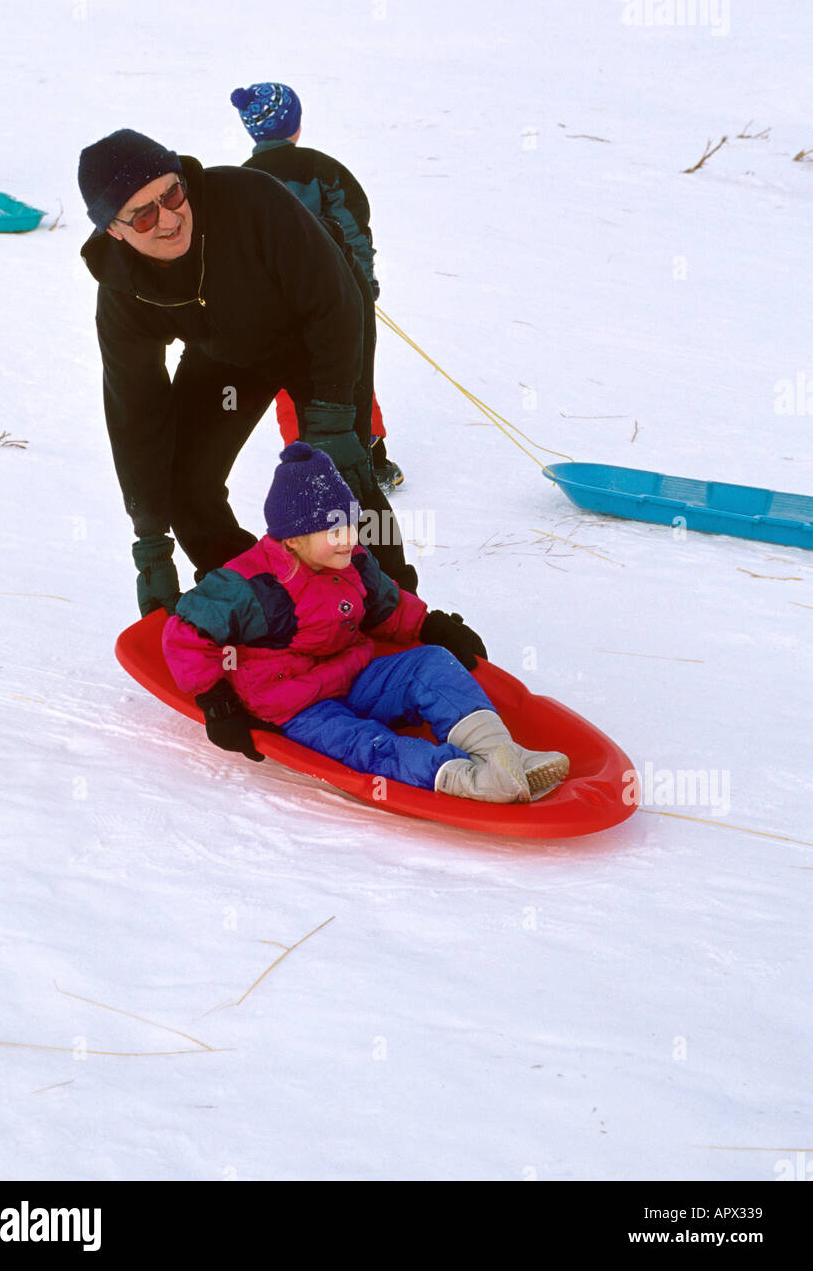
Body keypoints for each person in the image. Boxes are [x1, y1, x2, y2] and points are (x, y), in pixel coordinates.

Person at [77, 127, 428, 621]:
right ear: (112, 229)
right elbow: (135, 407)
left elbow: (334, 301)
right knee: (186, 484)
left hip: (321, 325)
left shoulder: (250, 200)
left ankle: (394, 608)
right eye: (143, 213)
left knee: (340, 472)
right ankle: (266, 601)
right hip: (230, 353)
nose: (169, 217)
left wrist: (331, 416)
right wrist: (151, 540)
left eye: (172, 193)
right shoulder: (121, 290)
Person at [162, 442, 569, 803]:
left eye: (350, 524)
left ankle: (501, 753)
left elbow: (386, 608)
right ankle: (470, 778)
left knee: (431, 664)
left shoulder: (352, 561)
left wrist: (432, 626)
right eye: (330, 530)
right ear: (292, 539)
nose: (346, 538)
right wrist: (216, 701)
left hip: (353, 676)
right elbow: (185, 634)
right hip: (295, 704)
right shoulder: (251, 584)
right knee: (367, 746)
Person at [231, 81, 404, 495]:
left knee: (292, 382)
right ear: (296, 125)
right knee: (352, 373)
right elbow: (353, 231)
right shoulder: (325, 171)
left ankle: (304, 458)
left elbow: (236, 253)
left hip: (276, 311)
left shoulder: (240, 185)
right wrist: (366, 284)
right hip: (337, 302)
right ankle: (369, 457)